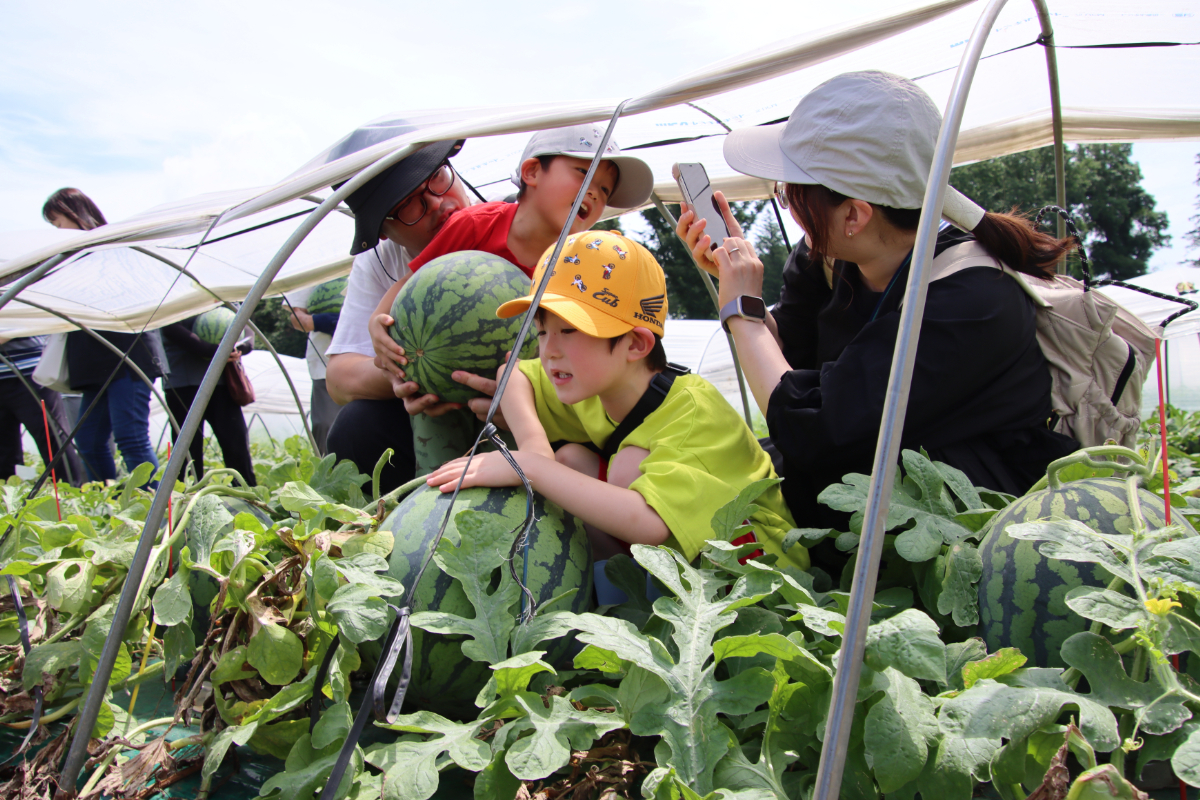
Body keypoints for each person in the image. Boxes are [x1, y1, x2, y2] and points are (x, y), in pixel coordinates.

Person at [675, 70, 1080, 534]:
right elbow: (790, 369)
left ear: (854, 215)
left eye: (789, 193)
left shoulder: (974, 301)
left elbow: (816, 428)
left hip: (962, 533)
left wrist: (742, 314)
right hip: (853, 502)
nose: (786, 204)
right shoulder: (823, 261)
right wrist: (738, 286)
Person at [426, 231, 807, 572]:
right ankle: (617, 592)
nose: (549, 351)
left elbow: (650, 523)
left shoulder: (692, 411)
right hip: (674, 557)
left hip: (755, 568)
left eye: (569, 331)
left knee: (620, 468)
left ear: (636, 344)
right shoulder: (592, 380)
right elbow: (514, 376)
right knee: (570, 461)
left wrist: (530, 468)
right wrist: (535, 449)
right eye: (542, 332)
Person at [368, 125, 655, 474]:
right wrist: (379, 327)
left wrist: (524, 401)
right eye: (584, 174)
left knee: (520, 480)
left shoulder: (585, 266)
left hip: (533, 406)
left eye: (604, 189)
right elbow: (411, 286)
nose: (594, 193)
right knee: (436, 472)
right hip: (446, 394)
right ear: (531, 172)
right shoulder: (474, 225)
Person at [323, 131, 497, 491]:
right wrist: (409, 377)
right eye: (408, 204)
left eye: (437, 177)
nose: (436, 203)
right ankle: (398, 526)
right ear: (382, 230)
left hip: (530, 406)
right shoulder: (379, 262)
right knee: (357, 424)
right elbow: (339, 378)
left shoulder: (512, 222)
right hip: (431, 424)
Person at [42, 188, 167, 485]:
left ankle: (159, 510)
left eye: (58, 223)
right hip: (95, 363)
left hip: (126, 355)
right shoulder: (68, 258)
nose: (57, 232)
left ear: (76, 214)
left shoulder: (113, 248)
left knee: (130, 438)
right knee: (88, 441)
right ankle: (107, 502)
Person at [161, 314, 256, 486]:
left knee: (236, 445)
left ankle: (248, 499)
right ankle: (188, 502)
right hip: (183, 382)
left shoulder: (220, 290)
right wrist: (214, 350)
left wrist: (240, 347)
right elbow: (168, 326)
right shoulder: (169, 292)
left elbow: (245, 322)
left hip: (222, 382)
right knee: (187, 451)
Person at [0, 336, 85, 486]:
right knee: (5, 450)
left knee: (51, 438)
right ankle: (11, 502)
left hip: (29, 371)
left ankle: (69, 496)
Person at [283, 285, 342, 454]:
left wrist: (322, 321)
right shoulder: (310, 265)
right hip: (324, 363)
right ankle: (329, 476)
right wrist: (332, 321)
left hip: (368, 357)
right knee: (325, 425)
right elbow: (297, 318)